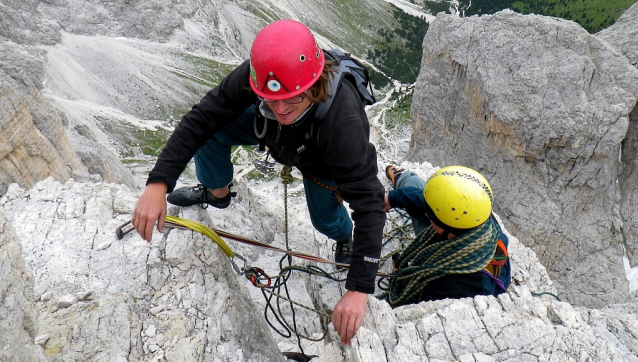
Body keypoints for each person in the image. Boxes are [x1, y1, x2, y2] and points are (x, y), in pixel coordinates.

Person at [131, 20, 386, 345]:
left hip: (321, 158)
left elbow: (369, 201)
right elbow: (202, 118)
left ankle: (343, 236)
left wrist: (358, 289)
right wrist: (158, 184)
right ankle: (217, 191)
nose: (280, 108)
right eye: (271, 99)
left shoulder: (343, 122)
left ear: (313, 84)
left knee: (324, 220)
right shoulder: (260, 75)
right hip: (276, 137)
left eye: (291, 99)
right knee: (214, 128)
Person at [382, 165, 511, 308]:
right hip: (452, 245)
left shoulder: (459, 286)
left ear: (449, 228)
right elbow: (429, 204)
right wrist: (393, 198)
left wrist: (406, 281)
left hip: (454, 278)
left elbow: (416, 304)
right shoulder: (477, 217)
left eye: (430, 216)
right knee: (413, 183)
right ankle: (401, 178)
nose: (426, 215)